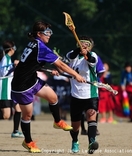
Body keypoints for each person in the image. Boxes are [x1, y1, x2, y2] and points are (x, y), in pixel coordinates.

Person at [11, 21, 85, 153]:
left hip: (32, 80)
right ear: (39, 34)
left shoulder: (34, 43)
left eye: (50, 32)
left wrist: (48, 70)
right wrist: (76, 75)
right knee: (27, 116)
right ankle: (28, 142)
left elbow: (32, 64)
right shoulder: (41, 47)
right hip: (22, 85)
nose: (50, 35)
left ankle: (58, 121)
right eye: (47, 33)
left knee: (53, 97)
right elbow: (61, 65)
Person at [66, 35, 99, 154]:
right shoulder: (72, 55)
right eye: (81, 43)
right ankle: (75, 141)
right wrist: (79, 50)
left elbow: (92, 60)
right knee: (75, 125)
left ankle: (92, 142)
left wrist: (87, 53)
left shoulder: (93, 55)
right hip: (76, 94)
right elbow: (71, 56)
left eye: (86, 44)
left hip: (91, 93)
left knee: (91, 115)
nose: (84, 46)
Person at [0, 41, 24, 138]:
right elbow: (3, 74)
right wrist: (13, 66)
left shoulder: (8, 59)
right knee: (6, 116)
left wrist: (14, 67)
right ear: (11, 49)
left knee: (18, 109)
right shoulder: (5, 59)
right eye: (14, 48)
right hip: (5, 90)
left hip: (11, 90)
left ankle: (15, 131)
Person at [81, 55, 105, 136]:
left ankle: (93, 128)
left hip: (92, 87)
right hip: (79, 86)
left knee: (93, 109)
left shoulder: (95, 56)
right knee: (81, 110)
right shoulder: (76, 56)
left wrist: (95, 78)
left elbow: (101, 71)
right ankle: (83, 128)